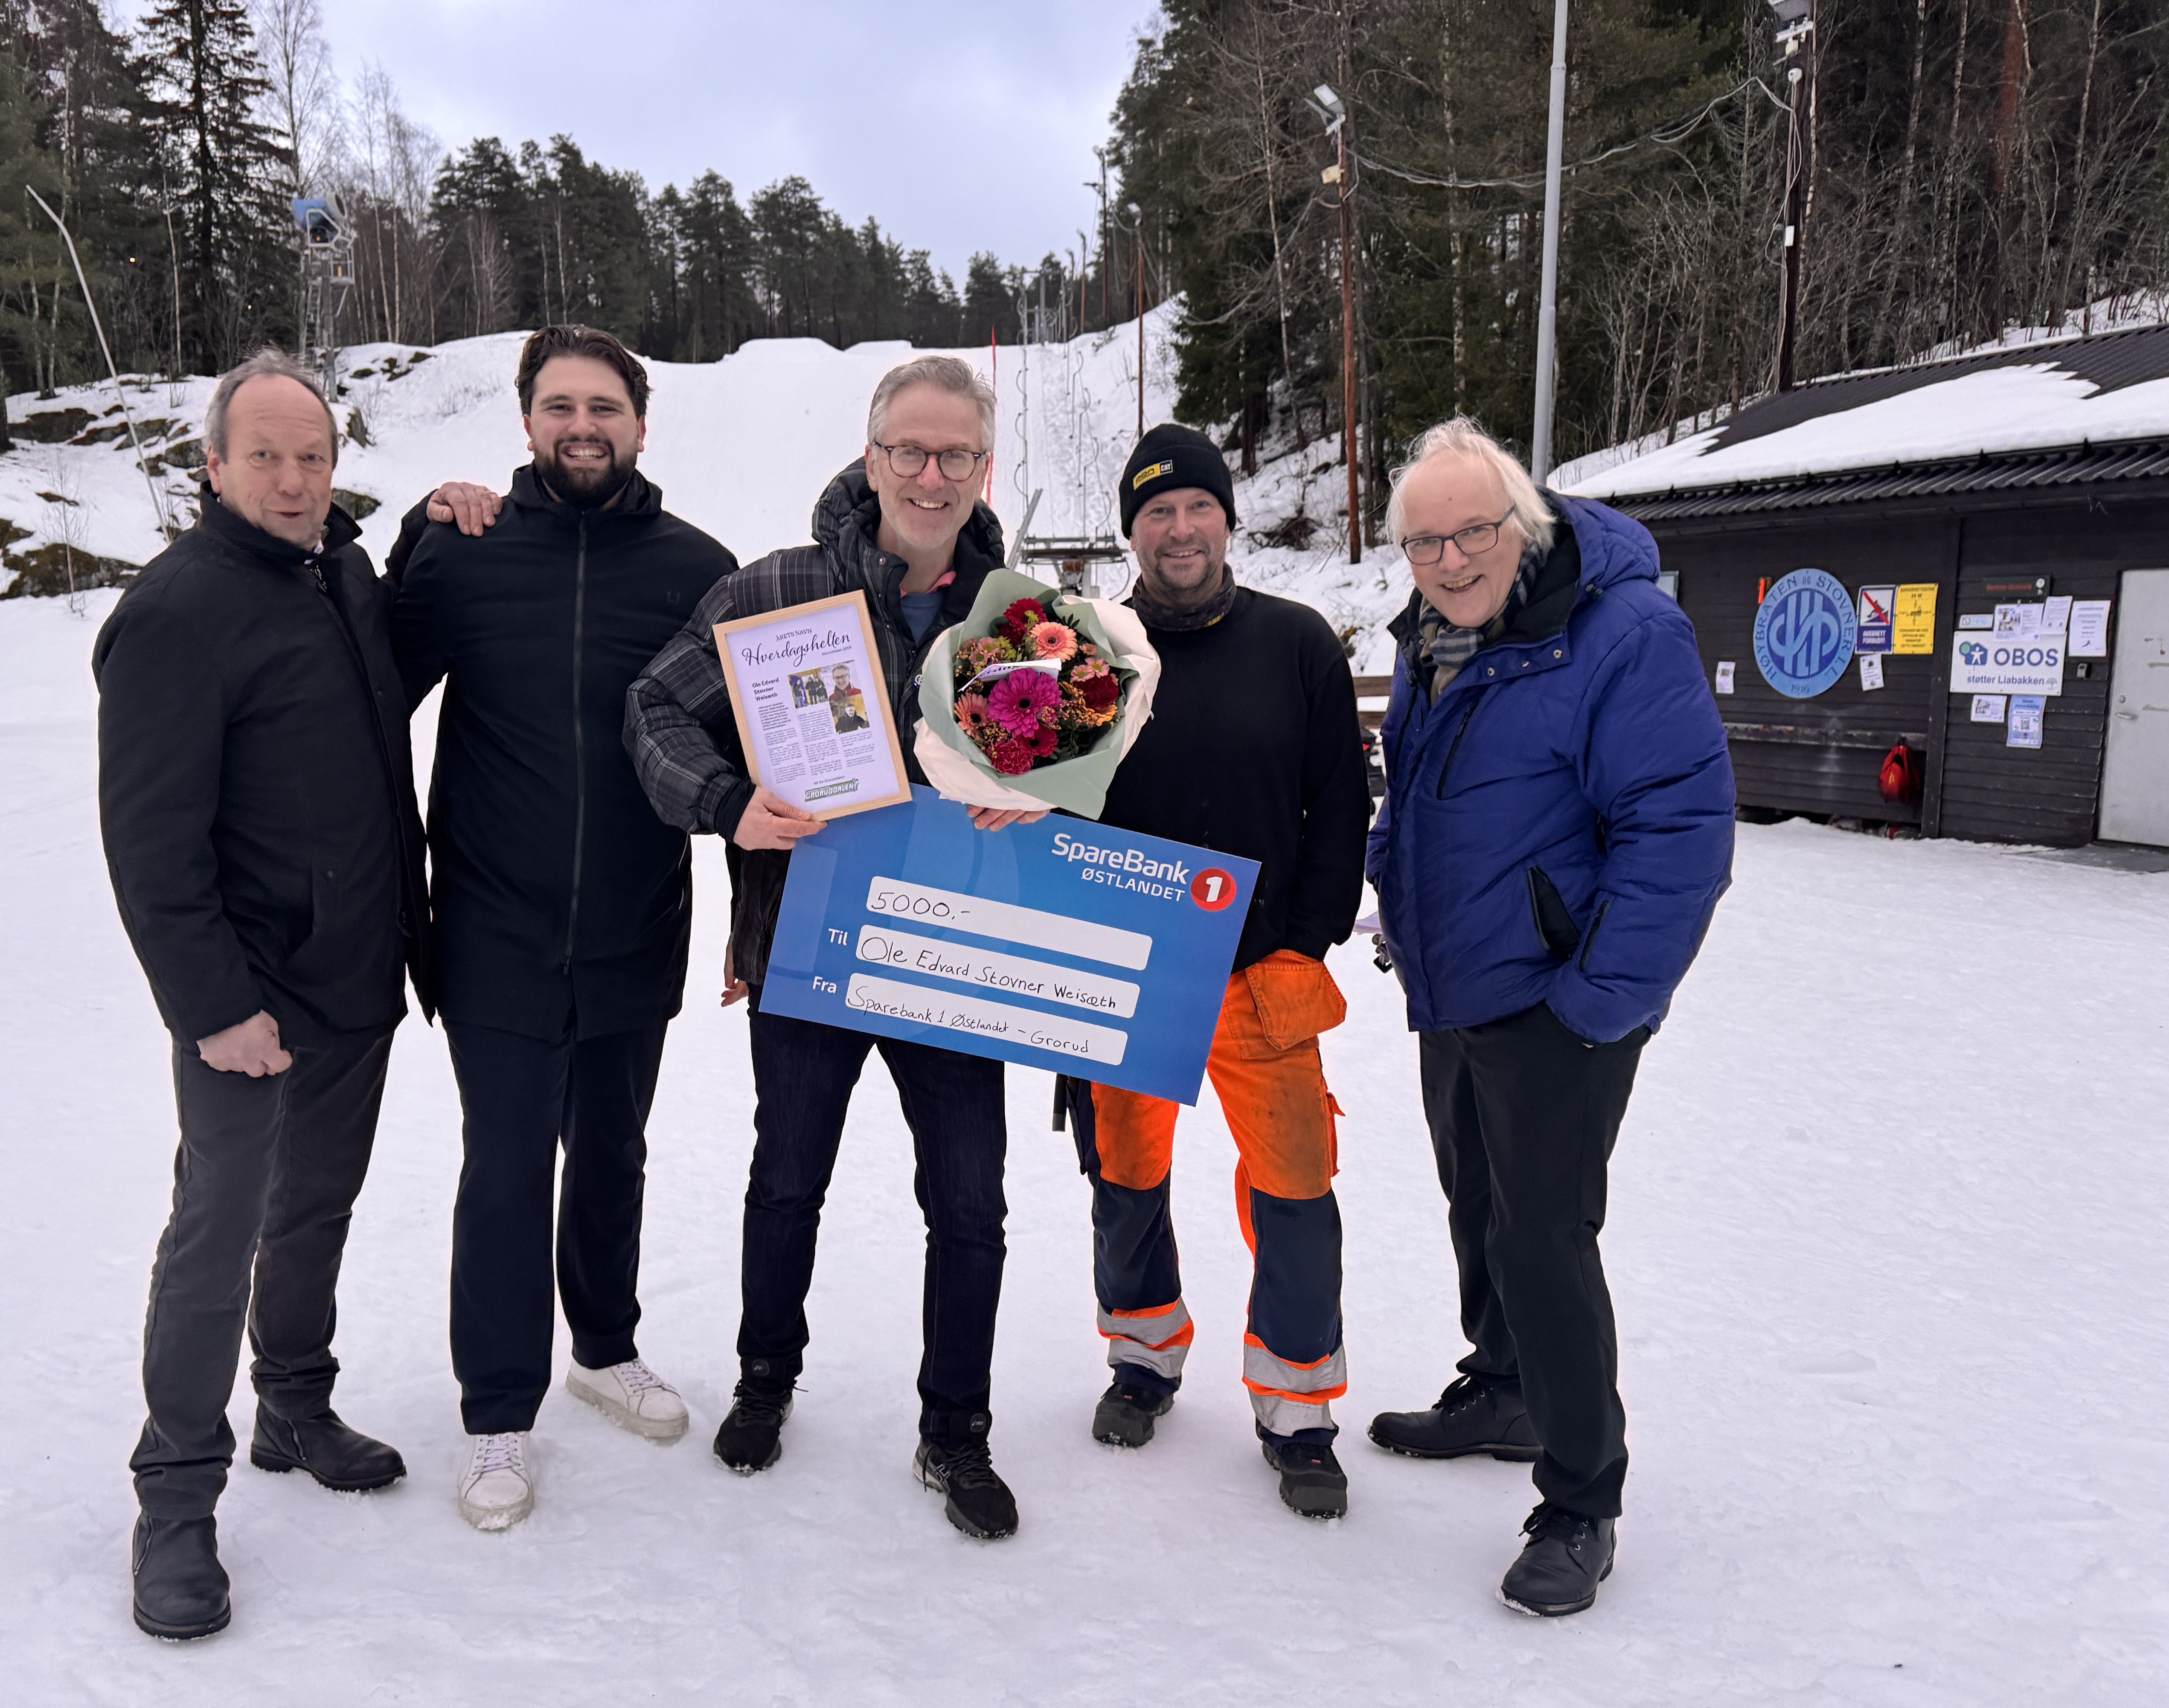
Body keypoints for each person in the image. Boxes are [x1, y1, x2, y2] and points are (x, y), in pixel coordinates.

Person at [625, 355, 1028, 1540]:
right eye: (910, 448)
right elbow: (652, 705)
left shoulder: (1018, 613)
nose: (931, 472)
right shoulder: (777, 590)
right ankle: (767, 1375)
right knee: (787, 1175)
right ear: (870, 458)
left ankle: (957, 1426)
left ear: (982, 468)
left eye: (957, 452)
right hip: (811, 942)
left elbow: (1091, 772)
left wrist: (1052, 796)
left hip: (959, 954)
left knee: (970, 1202)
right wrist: (725, 803)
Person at [1363, 417, 1733, 1616]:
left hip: (1554, 1004)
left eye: (1472, 532)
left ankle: (1582, 1496)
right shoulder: (1432, 638)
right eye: (1424, 541)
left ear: (1525, 524)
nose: (1450, 559)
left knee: (1543, 1236)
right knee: (1476, 1201)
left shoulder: (1623, 634)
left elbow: (1679, 835)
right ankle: (1507, 1386)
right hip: (1453, 984)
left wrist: (1593, 1006)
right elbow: (1417, 800)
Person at [94, 350, 431, 1640]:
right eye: (267, 457)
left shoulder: (340, 571)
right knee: (215, 1234)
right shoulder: (178, 610)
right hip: (250, 995)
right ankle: (175, 1500)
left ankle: (293, 1397)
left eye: (314, 457)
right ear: (216, 465)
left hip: (356, 969)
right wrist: (212, 1004)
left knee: (317, 1207)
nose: (293, 479)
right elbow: (150, 842)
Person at [389, 325, 736, 1533]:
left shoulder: (701, 569)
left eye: (604, 405)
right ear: (527, 422)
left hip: (638, 915)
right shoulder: (464, 549)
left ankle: (603, 1344)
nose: (581, 424)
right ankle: (497, 1411)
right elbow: (370, 676)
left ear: (641, 421)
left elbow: (752, 752)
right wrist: (409, 525)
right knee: (506, 1159)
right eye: (558, 405)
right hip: (492, 915)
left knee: (614, 1147)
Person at [1055, 424, 1372, 1518]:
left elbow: (1340, 801)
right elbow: (1051, 802)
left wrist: (1309, 933)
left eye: (1196, 509)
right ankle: (1142, 1359)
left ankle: (1298, 1408)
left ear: (1225, 521)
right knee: (1125, 1173)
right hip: (1125, 976)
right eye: (1155, 513)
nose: (1178, 529)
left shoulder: (1295, 644)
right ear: (1131, 533)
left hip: (1261, 971)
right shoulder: (1089, 651)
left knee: (1295, 1183)